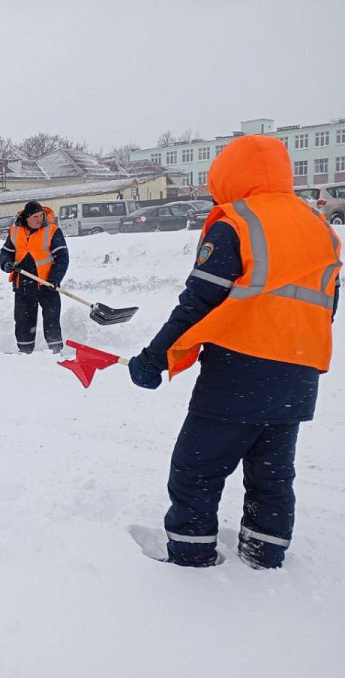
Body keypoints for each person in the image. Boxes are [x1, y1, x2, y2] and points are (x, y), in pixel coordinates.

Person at [127, 135, 341, 569]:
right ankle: (264, 557)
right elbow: (328, 305)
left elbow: (198, 303)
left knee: (196, 470)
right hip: (299, 372)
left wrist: (154, 358)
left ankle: (191, 556)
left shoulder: (237, 223)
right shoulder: (319, 226)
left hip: (239, 370)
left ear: (228, 173)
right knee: (272, 476)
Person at [0, 201, 69, 354]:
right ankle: (24, 351)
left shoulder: (52, 231)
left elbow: (62, 258)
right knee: (23, 320)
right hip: (22, 283)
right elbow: (6, 252)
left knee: (51, 319)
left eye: (41, 215)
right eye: (35, 216)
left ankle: (55, 351)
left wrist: (54, 279)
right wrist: (6, 263)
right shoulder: (15, 230)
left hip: (46, 284)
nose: (39, 219)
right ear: (27, 218)